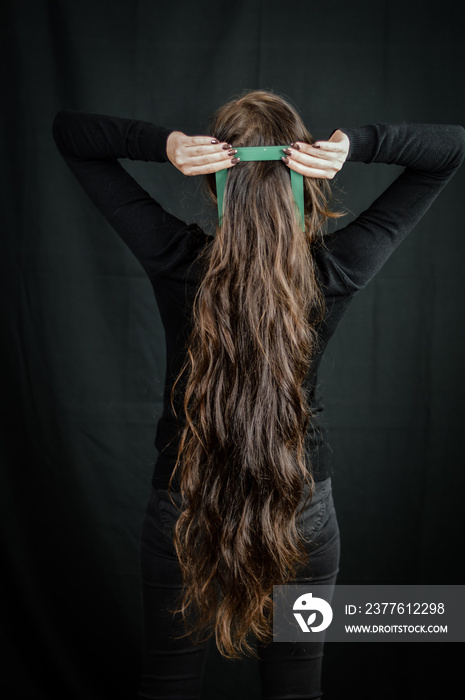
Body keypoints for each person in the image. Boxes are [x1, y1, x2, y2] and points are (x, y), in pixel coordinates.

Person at [52, 89, 465, 700]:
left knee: (169, 685)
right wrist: (356, 145)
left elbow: (73, 135)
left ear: (218, 180)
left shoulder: (177, 259)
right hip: (301, 506)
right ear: (304, 176)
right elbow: (449, 149)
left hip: (182, 500)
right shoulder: (334, 272)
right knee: (295, 686)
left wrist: (163, 147)